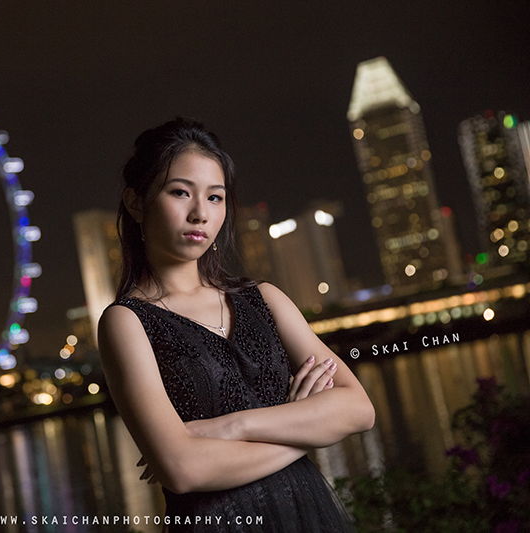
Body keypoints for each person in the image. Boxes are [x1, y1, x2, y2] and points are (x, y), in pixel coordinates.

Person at [98, 117, 375, 532]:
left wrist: (231, 427)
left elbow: (359, 409)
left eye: (215, 197)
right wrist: (304, 426)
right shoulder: (126, 322)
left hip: (308, 515)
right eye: (179, 192)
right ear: (137, 203)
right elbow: (181, 468)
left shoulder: (263, 299)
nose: (200, 214)